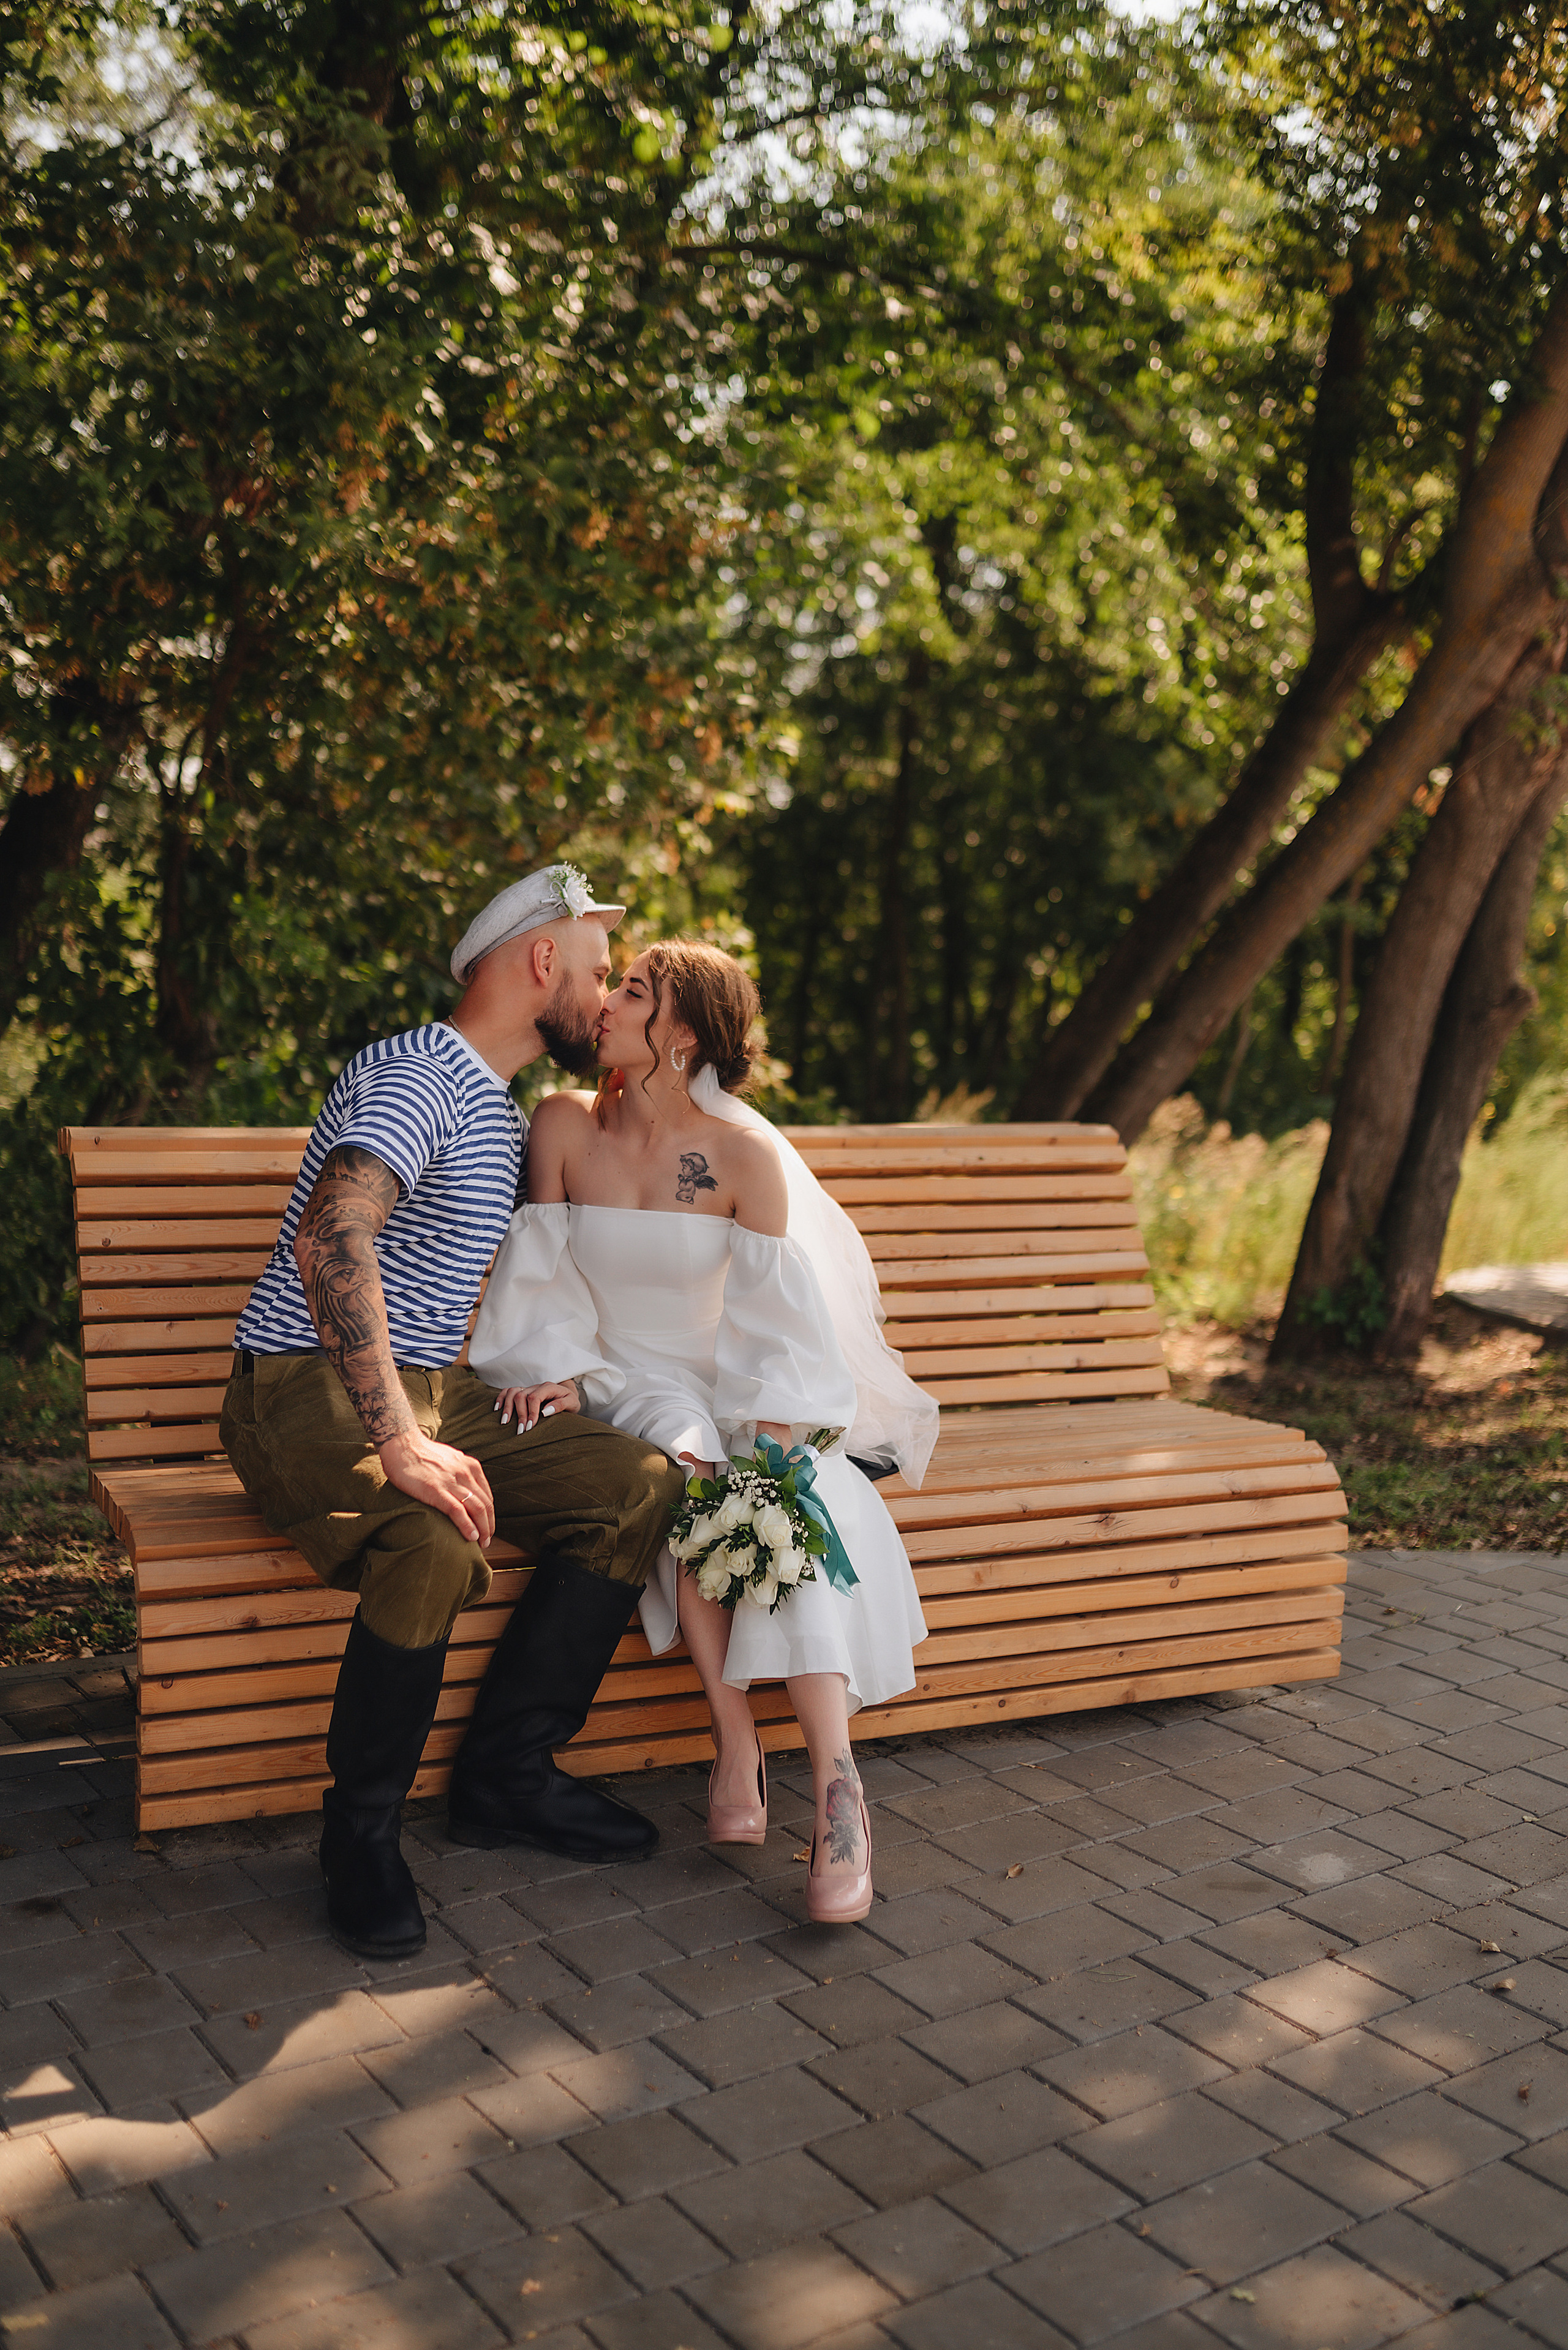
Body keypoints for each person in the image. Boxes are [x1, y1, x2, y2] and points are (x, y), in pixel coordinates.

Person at [219, 865, 688, 1964]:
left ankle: (505, 1777)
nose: (605, 989)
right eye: (597, 969)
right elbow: (334, 1234)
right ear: (540, 963)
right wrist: (398, 1441)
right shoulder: (423, 1073)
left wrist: (549, 1375)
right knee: (430, 1539)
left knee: (635, 1484)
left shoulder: (498, 1099)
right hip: (300, 1387)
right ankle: (361, 1835)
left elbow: (500, 1280)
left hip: (435, 1385)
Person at [469, 940, 937, 1923]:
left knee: (778, 1498)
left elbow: (777, 1320)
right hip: (622, 1381)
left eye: (632, 991)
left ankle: (838, 1787)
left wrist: (772, 1441)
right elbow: (542, 1278)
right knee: (689, 1473)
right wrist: (546, 1367)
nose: (605, 1001)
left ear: (679, 1032)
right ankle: (737, 1740)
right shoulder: (560, 1125)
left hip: (732, 1380)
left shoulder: (743, 1157)